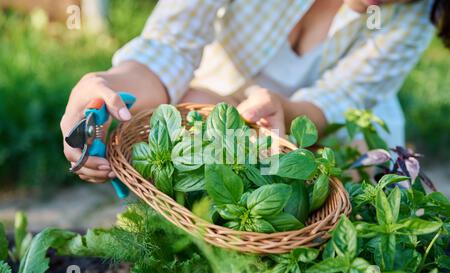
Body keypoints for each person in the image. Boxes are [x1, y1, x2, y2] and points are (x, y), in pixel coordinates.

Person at [61, 0, 450, 184]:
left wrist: (283, 110)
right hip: (206, 103)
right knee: (189, 113)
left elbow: (337, 100)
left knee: (335, 193)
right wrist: (110, 88)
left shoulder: (417, 15)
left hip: (322, 132)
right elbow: (168, 46)